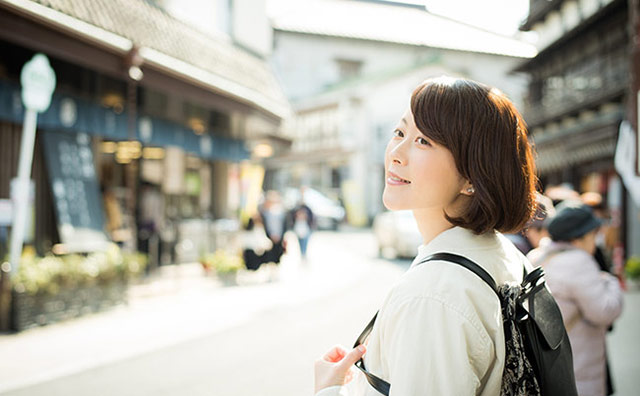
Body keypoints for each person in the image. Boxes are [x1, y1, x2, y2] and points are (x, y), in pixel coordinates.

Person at [314, 76, 538, 395]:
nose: (395, 154)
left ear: (472, 176)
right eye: (400, 132)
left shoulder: (433, 297)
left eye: (424, 142)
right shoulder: (502, 254)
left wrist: (328, 392)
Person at [527, 201, 623, 396]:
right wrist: (610, 282)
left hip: (548, 366)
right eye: (593, 235)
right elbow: (604, 311)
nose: (596, 240)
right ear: (578, 238)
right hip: (579, 368)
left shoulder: (537, 257)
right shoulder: (579, 262)